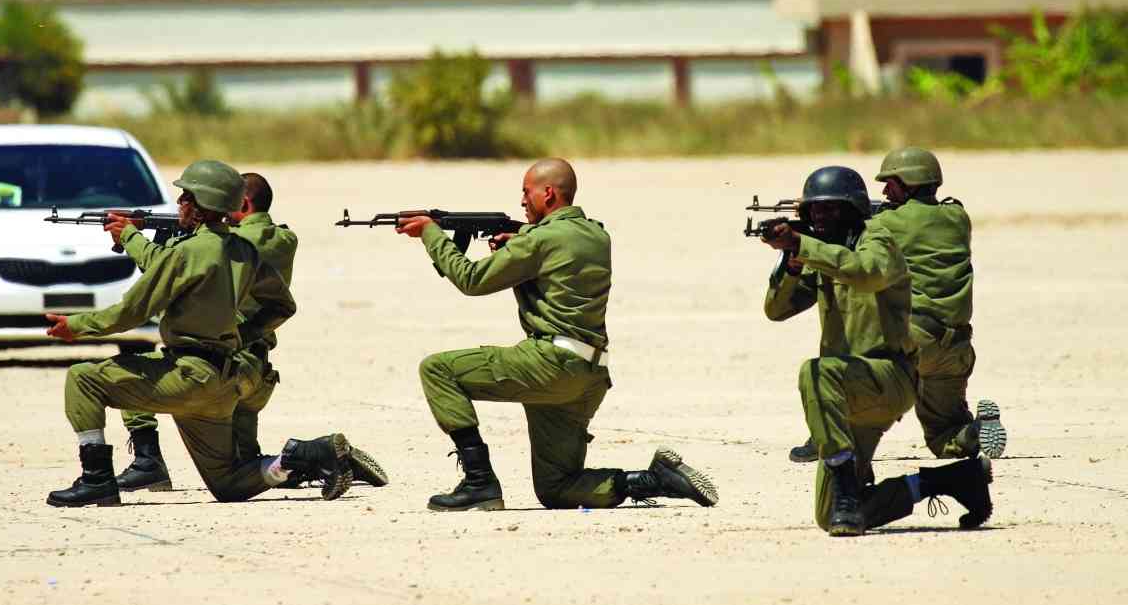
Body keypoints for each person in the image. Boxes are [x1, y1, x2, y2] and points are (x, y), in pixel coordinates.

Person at [395, 157, 718, 512]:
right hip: (589, 374)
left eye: (526, 192)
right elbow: (557, 256)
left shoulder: (538, 241)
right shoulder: (596, 235)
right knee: (557, 489)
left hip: (550, 365)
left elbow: (471, 280)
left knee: (437, 369)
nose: (522, 200)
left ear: (547, 193)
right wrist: (520, 241)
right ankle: (654, 479)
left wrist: (430, 234)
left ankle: (479, 482)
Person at [43, 160, 353, 507]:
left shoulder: (189, 251)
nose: (179, 203)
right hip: (223, 382)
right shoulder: (244, 250)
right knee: (230, 484)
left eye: (186, 197)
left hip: (188, 376)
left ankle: (97, 479)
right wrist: (240, 334)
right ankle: (303, 456)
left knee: (83, 379)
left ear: (203, 203)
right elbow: (283, 306)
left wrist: (75, 326)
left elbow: (132, 312)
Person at [112, 171, 388, 493]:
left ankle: (147, 462)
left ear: (242, 203)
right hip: (256, 372)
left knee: (132, 372)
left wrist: (131, 236)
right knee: (249, 469)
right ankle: (324, 457)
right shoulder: (283, 238)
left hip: (223, 368)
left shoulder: (234, 244)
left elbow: (170, 265)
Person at [762, 166, 994, 536]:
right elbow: (776, 311)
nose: (821, 218)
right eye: (814, 210)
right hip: (849, 389)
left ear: (853, 209)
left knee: (815, 372)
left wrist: (804, 246)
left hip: (888, 377)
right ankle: (953, 480)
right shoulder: (820, 253)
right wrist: (791, 266)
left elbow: (866, 272)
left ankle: (846, 489)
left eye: (831, 209)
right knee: (830, 516)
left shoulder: (878, 239)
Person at [872, 147, 1005, 459]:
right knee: (946, 436)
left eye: (891, 183)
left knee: (844, 372)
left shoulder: (888, 223)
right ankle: (974, 431)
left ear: (910, 182)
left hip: (913, 342)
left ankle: (830, 439)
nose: (885, 191)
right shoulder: (958, 217)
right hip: (955, 347)